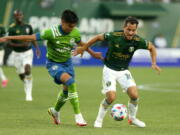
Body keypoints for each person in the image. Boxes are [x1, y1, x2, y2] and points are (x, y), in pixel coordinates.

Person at [0, 9, 103, 126]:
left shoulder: (75, 32)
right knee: (71, 82)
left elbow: (81, 43)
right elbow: (31, 37)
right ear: (62, 22)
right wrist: (8, 38)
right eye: (69, 26)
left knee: (66, 91)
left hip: (68, 64)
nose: (71, 29)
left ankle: (55, 111)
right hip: (53, 64)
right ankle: (78, 116)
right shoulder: (51, 32)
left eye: (73, 26)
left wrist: (93, 53)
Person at [74, 16, 161, 128]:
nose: (130, 32)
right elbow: (97, 37)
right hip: (109, 70)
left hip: (123, 71)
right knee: (111, 97)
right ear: (124, 28)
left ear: (136, 30)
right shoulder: (114, 36)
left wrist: (153, 63)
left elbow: (152, 47)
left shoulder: (138, 41)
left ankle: (132, 119)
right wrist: (84, 48)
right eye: (128, 29)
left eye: (133, 30)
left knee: (134, 95)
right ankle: (99, 120)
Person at [7, 10, 41, 101]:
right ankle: (26, 83)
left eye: (20, 15)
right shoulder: (12, 28)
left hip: (27, 52)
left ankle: (29, 94)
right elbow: (8, 42)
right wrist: (20, 45)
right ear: (14, 17)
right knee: (21, 74)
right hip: (16, 54)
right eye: (17, 15)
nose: (19, 16)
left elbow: (33, 38)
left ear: (23, 16)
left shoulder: (28, 27)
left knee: (27, 69)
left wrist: (37, 48)